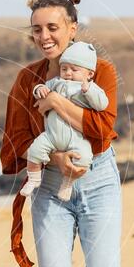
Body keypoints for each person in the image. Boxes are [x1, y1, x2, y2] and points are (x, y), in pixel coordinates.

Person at [0, 0, 134, 267]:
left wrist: (57, 105)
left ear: (73, 28)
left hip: (98, 182)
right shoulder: (27, 80)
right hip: (50, 188)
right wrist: (53, 159)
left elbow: (101, 130)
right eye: (37, 29)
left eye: (53, 27)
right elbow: (15, 142)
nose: (45, 36)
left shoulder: (101, 71)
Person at [20, 41, 108, 201]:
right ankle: (33, 178)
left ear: (89, 74)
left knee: (84, 157)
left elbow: (102, 104)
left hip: (76, 138)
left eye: (74, 69)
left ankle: (67, 184)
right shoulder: (57, 83)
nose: (68, 73)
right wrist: (39, 90)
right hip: (52, 136)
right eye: (64, 68)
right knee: (35, 150)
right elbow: (39, 88)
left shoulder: (90, 88)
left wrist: (89, 90)